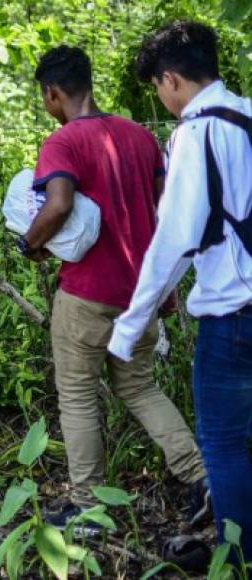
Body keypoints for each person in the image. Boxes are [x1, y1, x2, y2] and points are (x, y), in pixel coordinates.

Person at [19, 45, 208, 530]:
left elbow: (58, 204)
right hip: (139, 290)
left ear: (53, 93)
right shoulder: (142, 137)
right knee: (139, 386)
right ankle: (201, 477)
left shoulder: (62, 143)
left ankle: (87, 505)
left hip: (85, 293)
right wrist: (165, 287)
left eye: (46, 97)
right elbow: (162, 215)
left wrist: (30, 243)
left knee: (79, 396)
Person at [109, 21, 251, 560]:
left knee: (223, 446)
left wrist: (129, 326)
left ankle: (236, 559)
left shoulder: (196, 134)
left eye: (158, 88)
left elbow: (174, 241)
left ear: (170, 79)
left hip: (233, 316)